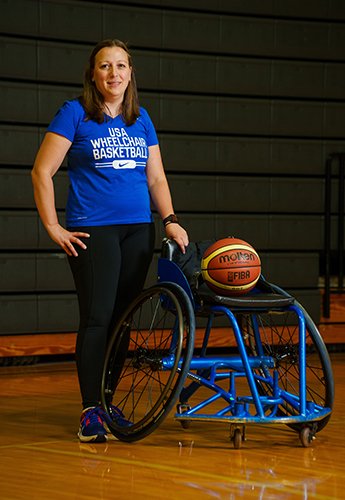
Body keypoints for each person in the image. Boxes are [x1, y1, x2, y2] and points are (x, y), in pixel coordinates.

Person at [31, 39, 189, 443]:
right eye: (105, 66)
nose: (113, 74)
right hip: (93, 230)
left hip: (138, 229)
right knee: (98, 317)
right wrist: (52, 225)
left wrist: (169, 220)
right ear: (93, 73)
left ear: (130, 73)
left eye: (121, 66)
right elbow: (41, 171)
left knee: (123, 322)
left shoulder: (141, 119)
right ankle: (89, 411)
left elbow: (155, 177)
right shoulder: (75, 113)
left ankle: (104, 402)